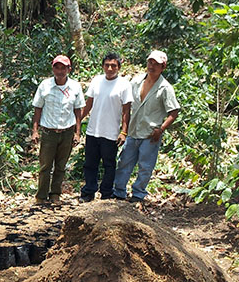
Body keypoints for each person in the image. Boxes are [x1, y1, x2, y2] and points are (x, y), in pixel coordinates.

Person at [113, 50, 181, 204]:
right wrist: (123, 129)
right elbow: (127, 104)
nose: (152, 66)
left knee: (145, 166)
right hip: (133, 130)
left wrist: (161, 129)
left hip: (151, 134)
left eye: (156, 64)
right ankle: (119, 191)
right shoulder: (136, 81)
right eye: (150, 62)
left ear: (163, 66)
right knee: (124, 162)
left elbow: (174, 112)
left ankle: (138, 194)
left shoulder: (165, 88)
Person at [30, 55, 85, 206]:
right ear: (53, 68)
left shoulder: (75, 87)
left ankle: (55, 194)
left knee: (61, 166)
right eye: (57, 67)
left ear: (69, 69)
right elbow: (38, 109)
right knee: (45, 166)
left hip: (67, 132)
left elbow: (78, 110)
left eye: (63, 68)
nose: (60, 71)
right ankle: (41, 196)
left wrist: (77, 132)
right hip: (49, 132)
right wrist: (35, 131)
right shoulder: (45, 85)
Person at [79, 53, 133, 202]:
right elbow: (89, 103)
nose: (110, 68)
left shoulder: (124, 84)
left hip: (111, 133)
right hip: (93, 131)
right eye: (107, 65)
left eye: (113, 66)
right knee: (90, 163)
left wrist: (123, 131)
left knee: (109, 164)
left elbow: (126, 110)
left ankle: (106, 193)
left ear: (119, 67)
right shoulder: (97, 81)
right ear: (103, 66)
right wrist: (78, 121)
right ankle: (88, 191)